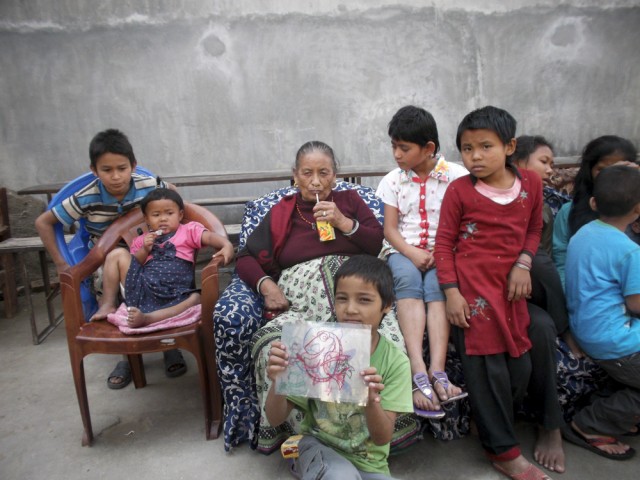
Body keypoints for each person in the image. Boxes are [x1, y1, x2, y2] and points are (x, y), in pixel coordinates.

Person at [237, 140, 405, 453]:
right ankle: (306, 438)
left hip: (357, 293)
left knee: (388, 344)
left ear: (335, 175)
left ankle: (371, 437)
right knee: (274, 348)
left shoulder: (350, 200)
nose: (316, 181)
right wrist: (267, 286)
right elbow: (245, 257)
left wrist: (343, 222)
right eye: (307, 173)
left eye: (324, 173)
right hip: (301, 300)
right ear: (295, 176)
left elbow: (376, 243)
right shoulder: (282, 212)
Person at [434, 106, 550, 479]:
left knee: (520, 368)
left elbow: (533, 230)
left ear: (510, 146)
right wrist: (451, 293)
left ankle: (488, 426)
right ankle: (503, 452)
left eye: (486, 146)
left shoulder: (531, 184)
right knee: (487, 370)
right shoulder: (459, 191)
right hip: (473, 295)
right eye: (467, 149)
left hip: (511, 292)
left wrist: (524, 263)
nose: (475, 157)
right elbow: (443, 245)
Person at [34, 128, 184, 389]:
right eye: (107, 170)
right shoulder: (86, 196)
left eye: (122, 168)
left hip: (151, 252)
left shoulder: (148, 185)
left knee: (166, 276)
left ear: (133, 166)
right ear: (94, 170)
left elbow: (173, 197)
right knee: (120, 282)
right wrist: (61, 264)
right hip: (106, 265)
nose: (115, 176)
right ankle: (127, 356)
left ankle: (168, 345)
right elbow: (44, 222)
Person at [265, 255, 413, 479]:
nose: (350, 309)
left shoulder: (396, 363)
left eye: (364, 300)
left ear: (387, 305)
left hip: (369, 462)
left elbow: (382, 438)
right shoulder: (315, 347)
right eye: (342, 298)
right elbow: (275, 418)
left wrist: (372, 401)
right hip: (315, 445)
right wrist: (277, 381)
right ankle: (306, 464)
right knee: (340, 476)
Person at [376, 105, 467, 419]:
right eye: (394, 147)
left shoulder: (458, 177)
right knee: (407, 281)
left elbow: (462, 224)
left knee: (439, 286)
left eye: (404, 148)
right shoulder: (393, 181)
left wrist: (441, 254)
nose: (397, 154)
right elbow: (389, 229)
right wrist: (412, 253)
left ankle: (438, 371)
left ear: (428, 148)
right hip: (403, 250)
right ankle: (418, 369)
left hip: (445, 253)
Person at [561, 165, 640, 460]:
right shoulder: (629, 250)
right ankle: (589, 424)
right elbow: (635, 305)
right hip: (615, 339)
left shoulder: (584, 233)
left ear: (594, 203)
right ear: (638, 209)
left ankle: (613, 410)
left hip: (585, 328)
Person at [512, 135, 570, 473]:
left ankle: (551, 427)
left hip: (527, 292)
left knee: (542, 326)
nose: (551, 170)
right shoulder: (482, 196)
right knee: (541, 326)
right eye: (544, 161)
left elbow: (544, 264)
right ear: (518, 162)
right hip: (487, 288)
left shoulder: (544, 207)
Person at [96, 188, 234, 328]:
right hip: (144, 289)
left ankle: (148, 318)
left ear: (180, 215)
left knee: (196, 298)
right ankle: (108, 303)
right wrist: (144, 250)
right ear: (146, 219)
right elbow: (134, 265)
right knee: (117, 254)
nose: (163, 219)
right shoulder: (141, 240)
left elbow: (209, 236)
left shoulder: (188, 231)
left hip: (176, 292)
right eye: (156, 215)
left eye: (169, 213)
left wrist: (226, 244)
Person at [552, 135, 638, 289]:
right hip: (587, 301)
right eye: (602, 170)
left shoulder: (636, 209)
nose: (610, 177)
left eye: (619, 169)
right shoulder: (569, 212)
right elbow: (562, 264)